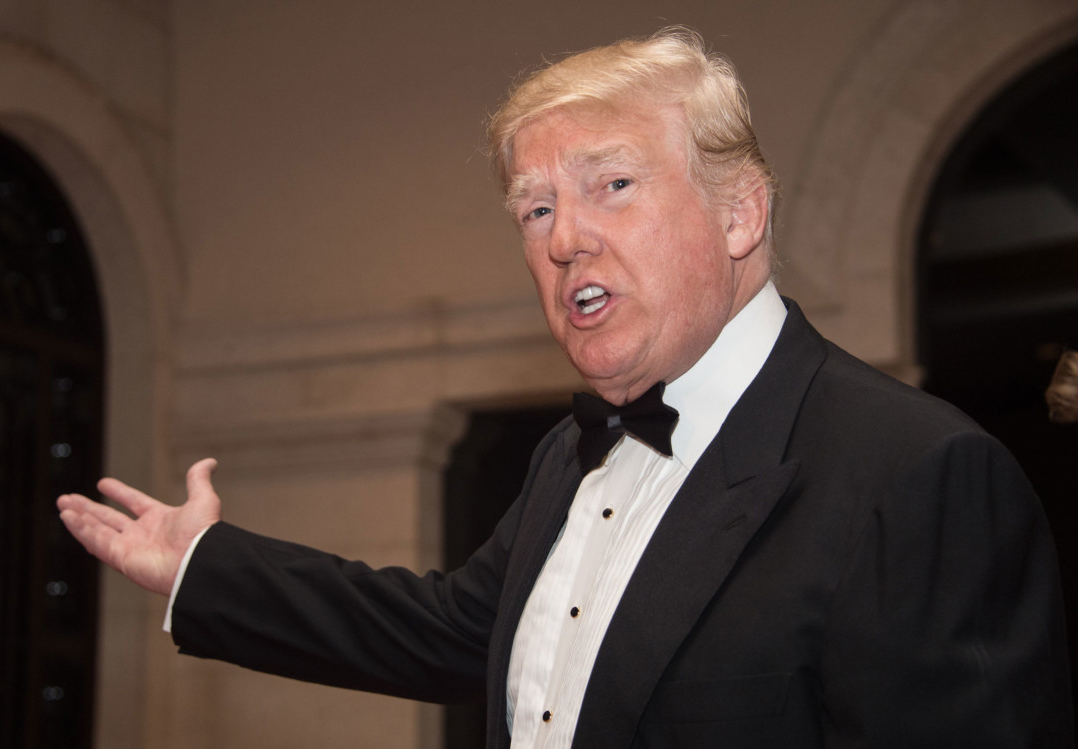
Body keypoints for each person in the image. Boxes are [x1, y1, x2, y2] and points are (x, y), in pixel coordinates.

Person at [57, 26, 1074, 747]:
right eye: (535, 209)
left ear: (739, 215)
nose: (564, 237)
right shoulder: (571, 454)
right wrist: (205, 565)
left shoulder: (919, 471)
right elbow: (457, 628)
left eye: (611, 185)